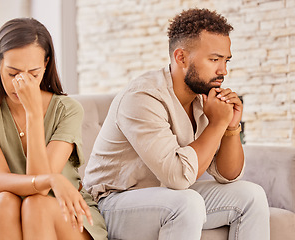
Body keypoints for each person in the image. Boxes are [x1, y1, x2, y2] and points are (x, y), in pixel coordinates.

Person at [83, 8, 270, 240]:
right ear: (181, 57)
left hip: (167, 196)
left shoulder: (204, 98)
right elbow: (178, 177)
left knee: (251, 195)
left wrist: (230, 127)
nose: (223, 71)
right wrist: (216, 124)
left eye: (225, 60)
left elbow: (227, 175)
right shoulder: (142, 97)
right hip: (112, 204)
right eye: (214, 59)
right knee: (186, 202)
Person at [0, 18, 107, 240]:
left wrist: (34, 114)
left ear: (46, 65)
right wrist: (51, 179)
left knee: (36, 204)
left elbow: (40, 190)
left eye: (34, 73)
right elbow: (1, 182)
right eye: (13, 73)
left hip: (66, 213)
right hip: (16, 209)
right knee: (4, 201)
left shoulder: (68, 110)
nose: (22, 83)